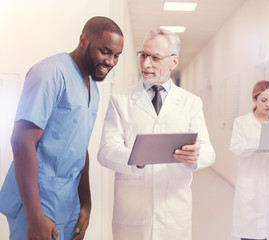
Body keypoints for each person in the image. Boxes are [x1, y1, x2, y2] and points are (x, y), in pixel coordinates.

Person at [0, 16, 124, 240]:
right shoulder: (50, 73)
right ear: (83, 40)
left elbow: (79, 147)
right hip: (36, 202)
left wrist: (85, 202)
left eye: (117, 55)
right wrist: (35, 216)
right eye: (105, 51)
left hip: (68, 203)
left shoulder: (92, 88)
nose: (111, 61)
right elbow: (21, 141)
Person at [97, 27, 215, 240]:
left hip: (173, 212)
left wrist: (194, 156)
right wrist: (137, 158)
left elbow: (208, 151)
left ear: (174, 62)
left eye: (155, 57)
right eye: (143, 55)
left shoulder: (191, 103)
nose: (145, 64)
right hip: (132, 211)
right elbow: (105, 151)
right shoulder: (120, 100)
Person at [229, 80, 269, 240]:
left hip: (268, 182)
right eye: (263, 100)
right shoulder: (241, 122)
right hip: (249, 183)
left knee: (266, 232)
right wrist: (260, 143)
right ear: (254, 99)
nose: (268, 104)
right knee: (248, 233)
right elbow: (236, 149)